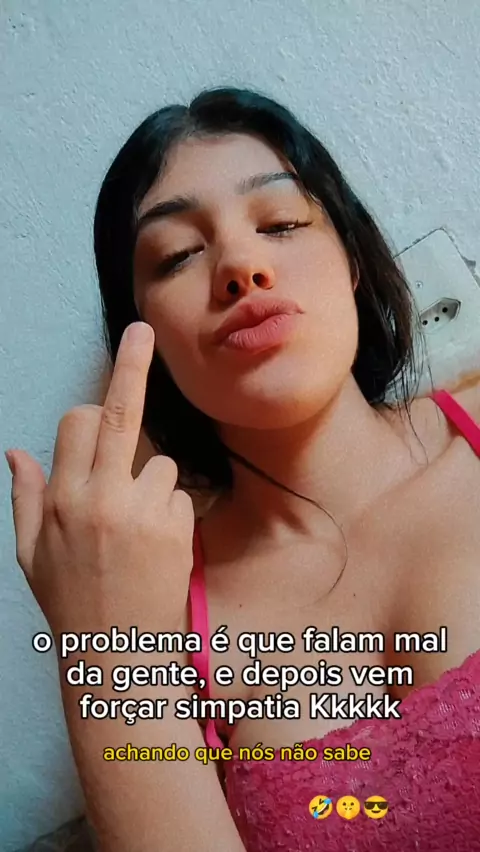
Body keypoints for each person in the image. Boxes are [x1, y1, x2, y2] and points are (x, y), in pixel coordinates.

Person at [7, 87, 480, 852]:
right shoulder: (154, 608)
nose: (240, 267)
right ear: (145, 334)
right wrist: (104, 643)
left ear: (353, 263)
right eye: (177, 256)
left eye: (282, 223)